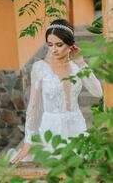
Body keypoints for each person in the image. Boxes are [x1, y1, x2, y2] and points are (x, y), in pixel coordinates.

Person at [10, 19, 103, 163]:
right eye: (50, 44)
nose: (54, 49)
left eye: (59, 45)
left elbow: (98, 92)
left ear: (70, 44)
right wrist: (28, 142)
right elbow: (33, 107)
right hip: (51, 128)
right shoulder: (40, 68)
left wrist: (81, 63)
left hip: (76, 126)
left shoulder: (76, 66)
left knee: (78, 171)